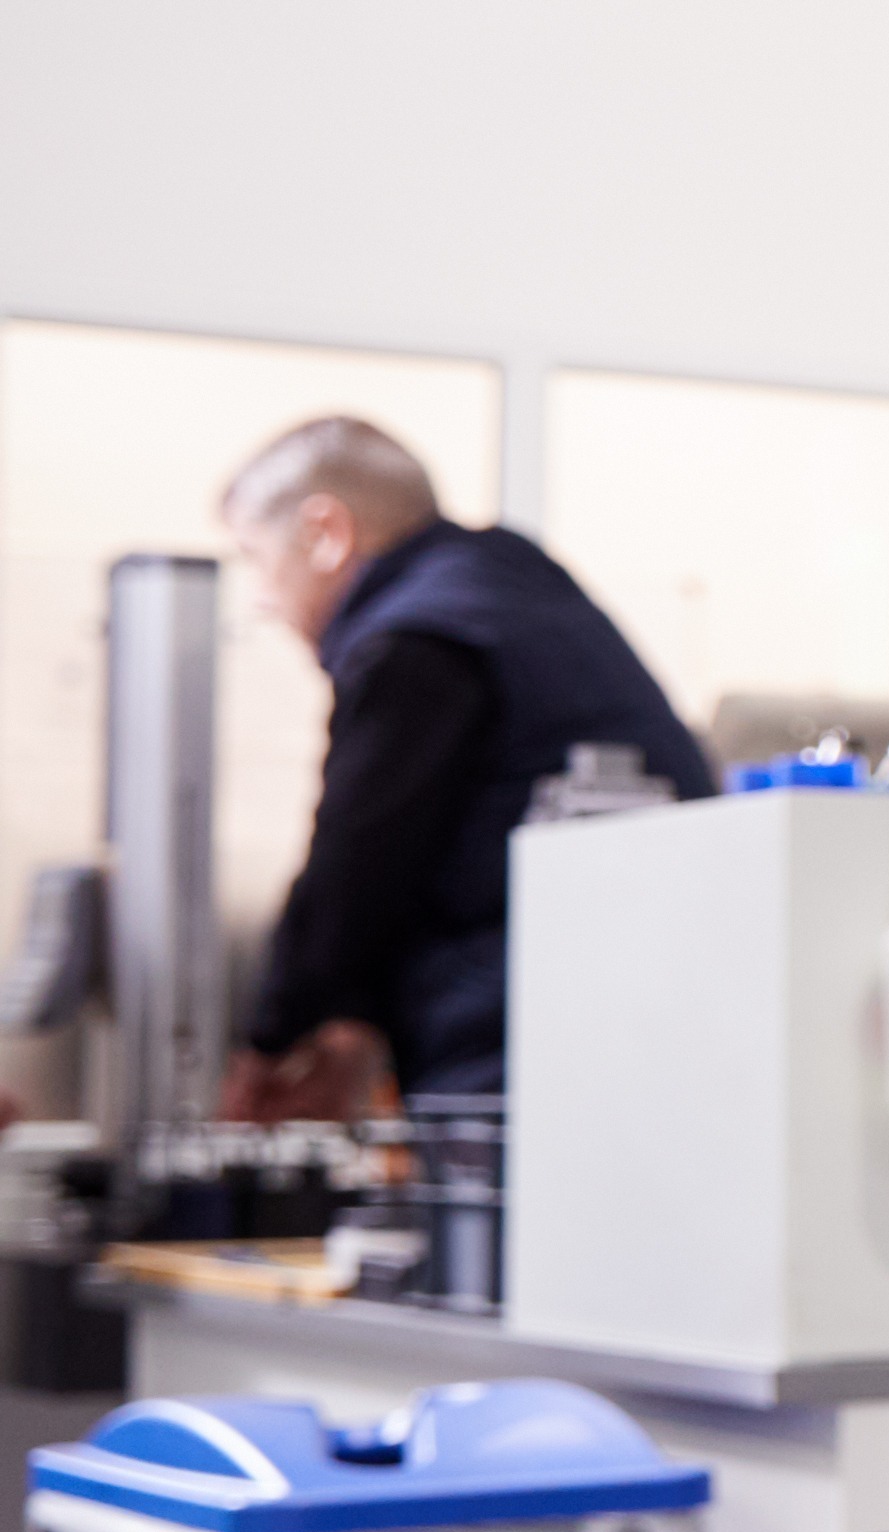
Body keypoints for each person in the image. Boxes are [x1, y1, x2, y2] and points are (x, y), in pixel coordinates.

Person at [216, 417, 716, 1117]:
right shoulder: (516, 594)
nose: (261, 598)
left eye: (255, 557)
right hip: (657, 1017)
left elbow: (359, 857)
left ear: (325, 533)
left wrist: (271, 1044)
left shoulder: (419, 639)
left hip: (510, 1044)